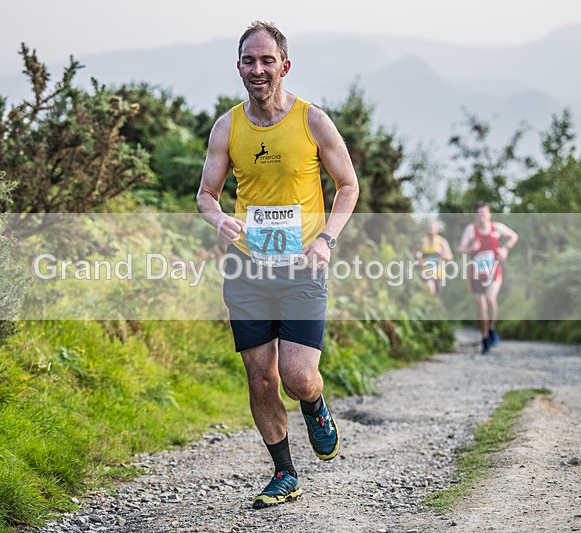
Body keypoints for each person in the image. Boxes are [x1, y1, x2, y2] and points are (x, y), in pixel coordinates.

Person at [196, 21, 359, 509]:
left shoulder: (312, 121)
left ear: (284, 66)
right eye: (249, 61)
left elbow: (348, 185)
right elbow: (206, 195)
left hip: (304, 266)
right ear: (239, 67)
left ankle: (314, 404)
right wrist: (219, 219)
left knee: (297, 375)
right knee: (260, 376)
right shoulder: (228, 127)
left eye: (267, 61)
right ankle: (284, 473)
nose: (258, 69)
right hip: (248, 268)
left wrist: (327, 239)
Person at [457, 202, 518, 354]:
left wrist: (505, 249)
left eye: (485, 212)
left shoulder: (496, 228)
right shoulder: (471, 230)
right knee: (481, 306)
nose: (482, 215)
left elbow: (514, 236)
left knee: (491, 300)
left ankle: (491, 328)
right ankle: (484, 338)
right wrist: (471, 248)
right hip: (477, 274)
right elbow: (460, 249)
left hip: (493, 271)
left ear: (489, 213)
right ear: (476, 215)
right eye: (479, 213)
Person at [415, 219, 453, 297]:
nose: (431, 228)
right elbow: (418, 256)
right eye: (430, 227)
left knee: (435, 297)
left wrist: (442, 253)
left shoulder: (442, 241)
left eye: (433, 227)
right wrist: (419, 259)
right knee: (429, 289)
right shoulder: (423, 242)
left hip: (439, 275)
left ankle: (433, 308)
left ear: (437, 229)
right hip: (427, 273)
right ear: (427, 228)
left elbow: (450, 257)